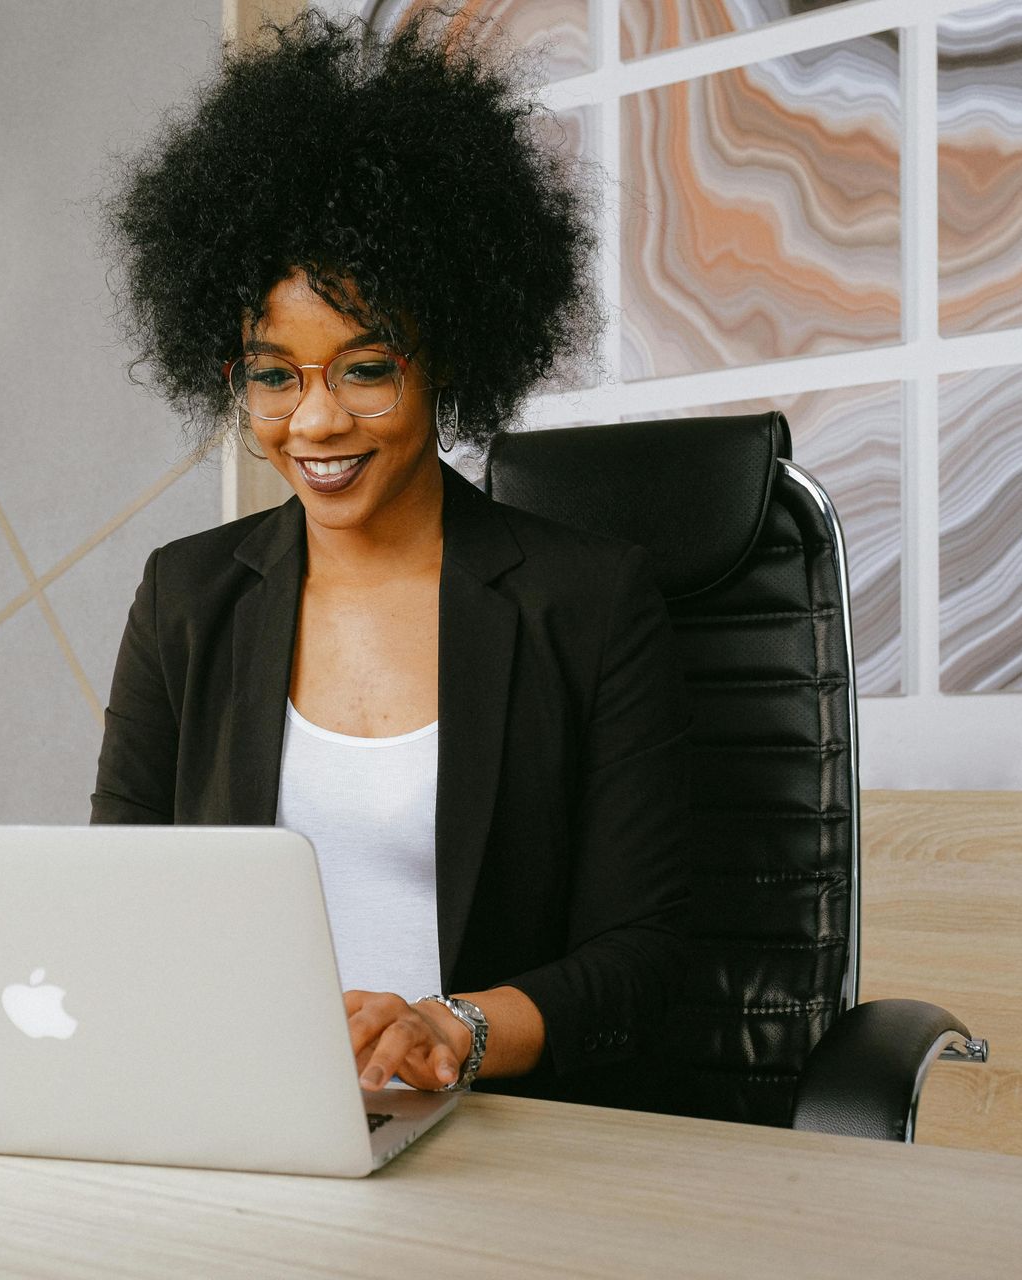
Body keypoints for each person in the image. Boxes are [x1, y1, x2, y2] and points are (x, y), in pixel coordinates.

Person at [90, 9, 692, 1109]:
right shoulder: (189, 595)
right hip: (245, 1111)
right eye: (274, 376)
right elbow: (120, 897)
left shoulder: (590, 603)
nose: (313, 421)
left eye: (365, 367)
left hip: (502, 1131)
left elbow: (647, 955)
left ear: (448, 351)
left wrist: (450, 1025)